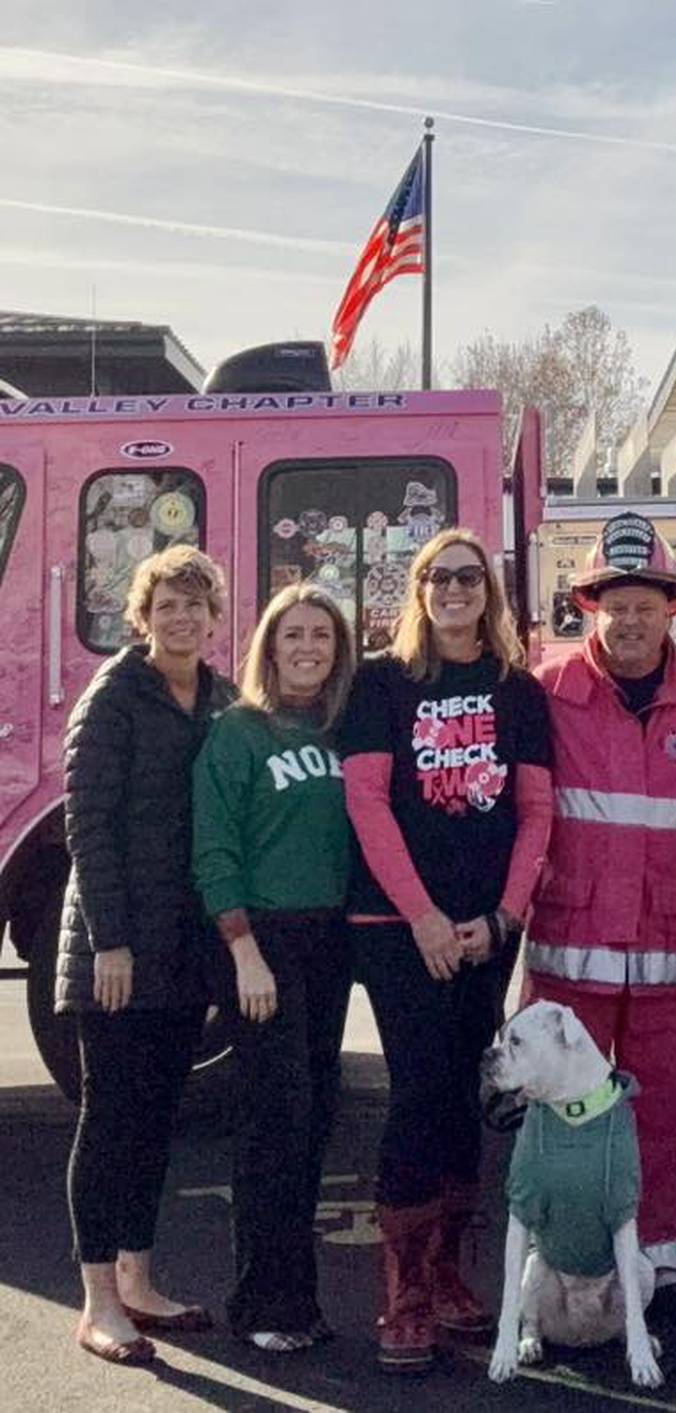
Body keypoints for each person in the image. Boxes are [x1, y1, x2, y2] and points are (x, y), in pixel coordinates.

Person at [339, 529, 553, 1373]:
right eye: (440, 576)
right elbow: (366, 802)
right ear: (419, 589)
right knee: (418, 1091)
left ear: (489, 594)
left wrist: (503, 916)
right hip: (399, 932)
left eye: (470, 577)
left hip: (484, 931)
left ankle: (452, 1276)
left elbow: (537, 812)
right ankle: (404, 1291)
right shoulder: (381, 682)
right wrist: (424, 915)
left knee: (465, 1091)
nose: (456, 589)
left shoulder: (518, 691)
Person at [527, 512, 676, 1314]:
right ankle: (572, 1264)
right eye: (615, 603)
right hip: (571, 947)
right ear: (591, 607)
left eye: (646, 602)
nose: (630, 617)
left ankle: (659, 1257)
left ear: (674, 606)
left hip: (671, 951)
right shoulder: (547, 693)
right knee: (562, 1110)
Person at [57, 545, 235, 1365]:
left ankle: (138, 1281)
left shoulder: (219, 697)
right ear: (142, 615)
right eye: (167, 604)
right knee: (111, 1121)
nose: (183, 617)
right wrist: (111, 942)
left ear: (213, 616)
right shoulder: (114, 697)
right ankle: (96, 1303)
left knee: (157, 1121)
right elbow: (86, 827)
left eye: (196, 604)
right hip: (119, 948)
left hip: (183, 949)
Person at [191, 585, 356, 1352]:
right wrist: (242, 946)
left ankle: (300, 1300)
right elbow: (214, 847)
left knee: (316, 1116)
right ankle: (260, 1303)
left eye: (322, 634)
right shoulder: (237, 731)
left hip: (327, 944)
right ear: (270, 644)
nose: (308, 646)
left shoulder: (337, 729)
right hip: (262, 945)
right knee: (273, 1124)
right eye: (294, 633)